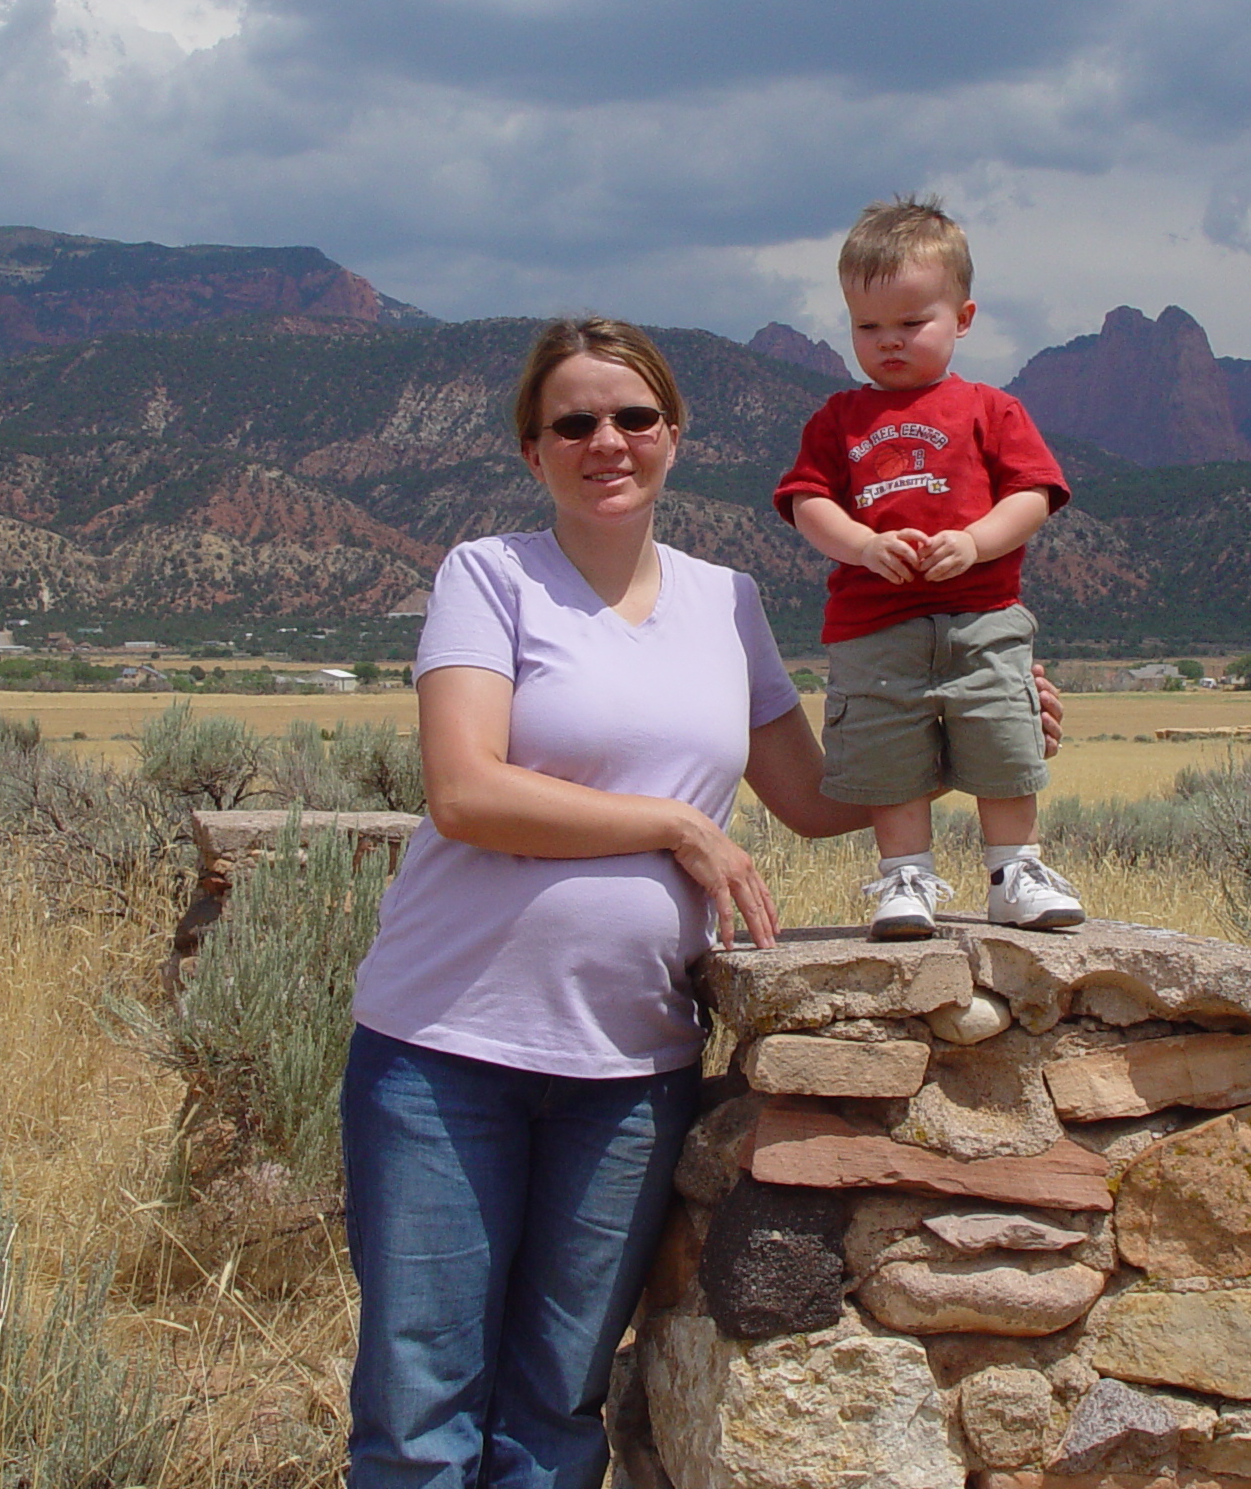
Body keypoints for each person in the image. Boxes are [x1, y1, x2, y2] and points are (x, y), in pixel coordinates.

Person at [339, 315, 1057, 1488]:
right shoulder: (488, 575)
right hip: (443, 1050)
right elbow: (466, 793)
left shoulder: (727, 602)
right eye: (573, 422)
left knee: (554, 1406)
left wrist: (979, 725)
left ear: (674, 435)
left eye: (633, 418)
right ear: (533, 451)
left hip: (627, 1071)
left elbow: (821, 795)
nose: (605, 441)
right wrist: (676, 825)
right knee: (420, 1412)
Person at [774, 195, 1084, 941]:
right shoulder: (837, 419)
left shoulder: (990, 409)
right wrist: (860, 545)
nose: (888, 342)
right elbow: (807, 502)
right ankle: (905, 877)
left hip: (983, 617)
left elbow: (1034, 494)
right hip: (873, 626)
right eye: (867, 326)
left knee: (1003, 739)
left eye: (912, 323)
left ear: (963, 318)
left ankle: (1015, 871)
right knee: (889, 751)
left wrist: (976, 543)